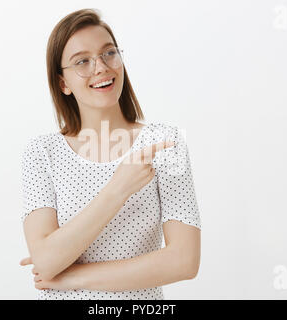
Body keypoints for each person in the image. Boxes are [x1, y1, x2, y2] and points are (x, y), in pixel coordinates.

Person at [19, 8, 201, 300]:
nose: (101, 67)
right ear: (63, 83)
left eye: (108, 54)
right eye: (82, 62)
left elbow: (184, 260)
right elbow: (45, 261)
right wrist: (118, 188)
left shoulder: (163, 143)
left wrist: (72, 277)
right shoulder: (42, 153)